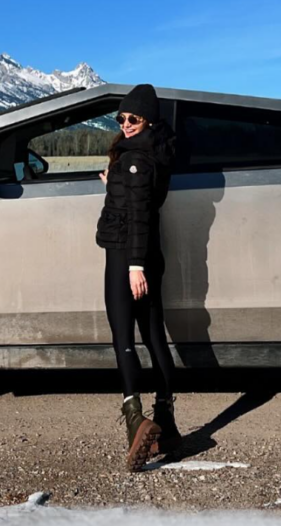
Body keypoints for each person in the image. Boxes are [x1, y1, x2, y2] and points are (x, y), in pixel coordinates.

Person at [95, 84, 181, 472]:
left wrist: (133, 267)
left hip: (127, 258)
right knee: (154, 336)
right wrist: (112, 183)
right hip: (147, 256)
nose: (126, 125)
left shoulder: (135, 161)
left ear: (148, 120)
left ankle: (135, 421)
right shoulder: (152, 152)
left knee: (123, 338)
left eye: (134, 119)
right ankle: (168, 425)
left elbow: (139, 217)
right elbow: (138, 200)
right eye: (122, 119)